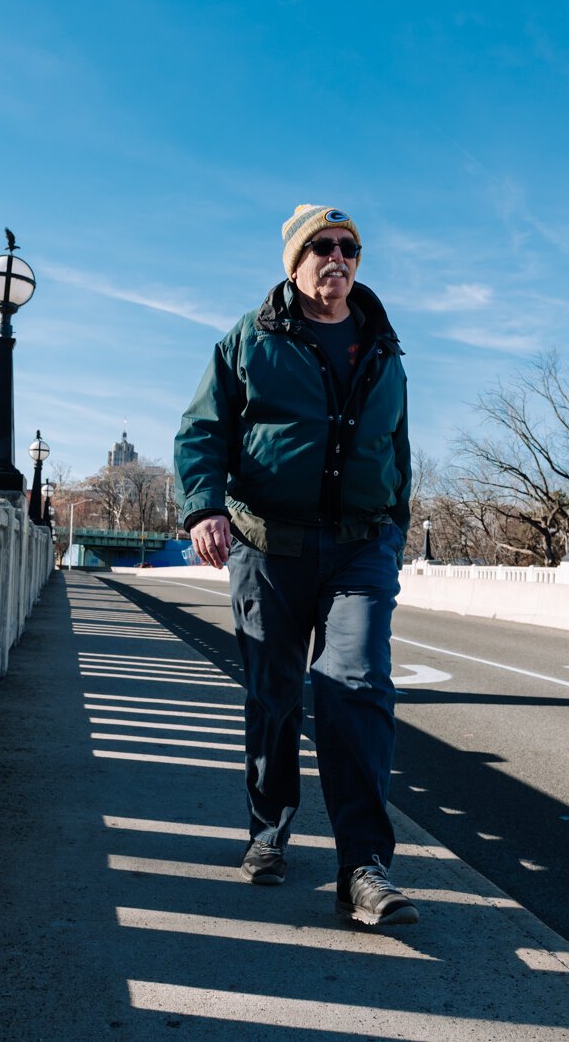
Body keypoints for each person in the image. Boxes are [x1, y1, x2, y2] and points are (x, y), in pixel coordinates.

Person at [173, 205, 417, 926]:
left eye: (349, 248)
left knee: (358, 685)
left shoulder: (383, 347)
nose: (337, 257)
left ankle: (363, 866)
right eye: (322, 246)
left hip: (359, 547)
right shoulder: (250, 339)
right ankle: (268, 829)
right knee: (274, 693)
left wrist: (393, 533)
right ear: (293, 261)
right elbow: (202, 429)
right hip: (268, 546)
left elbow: (398, 453)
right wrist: (202, 508)